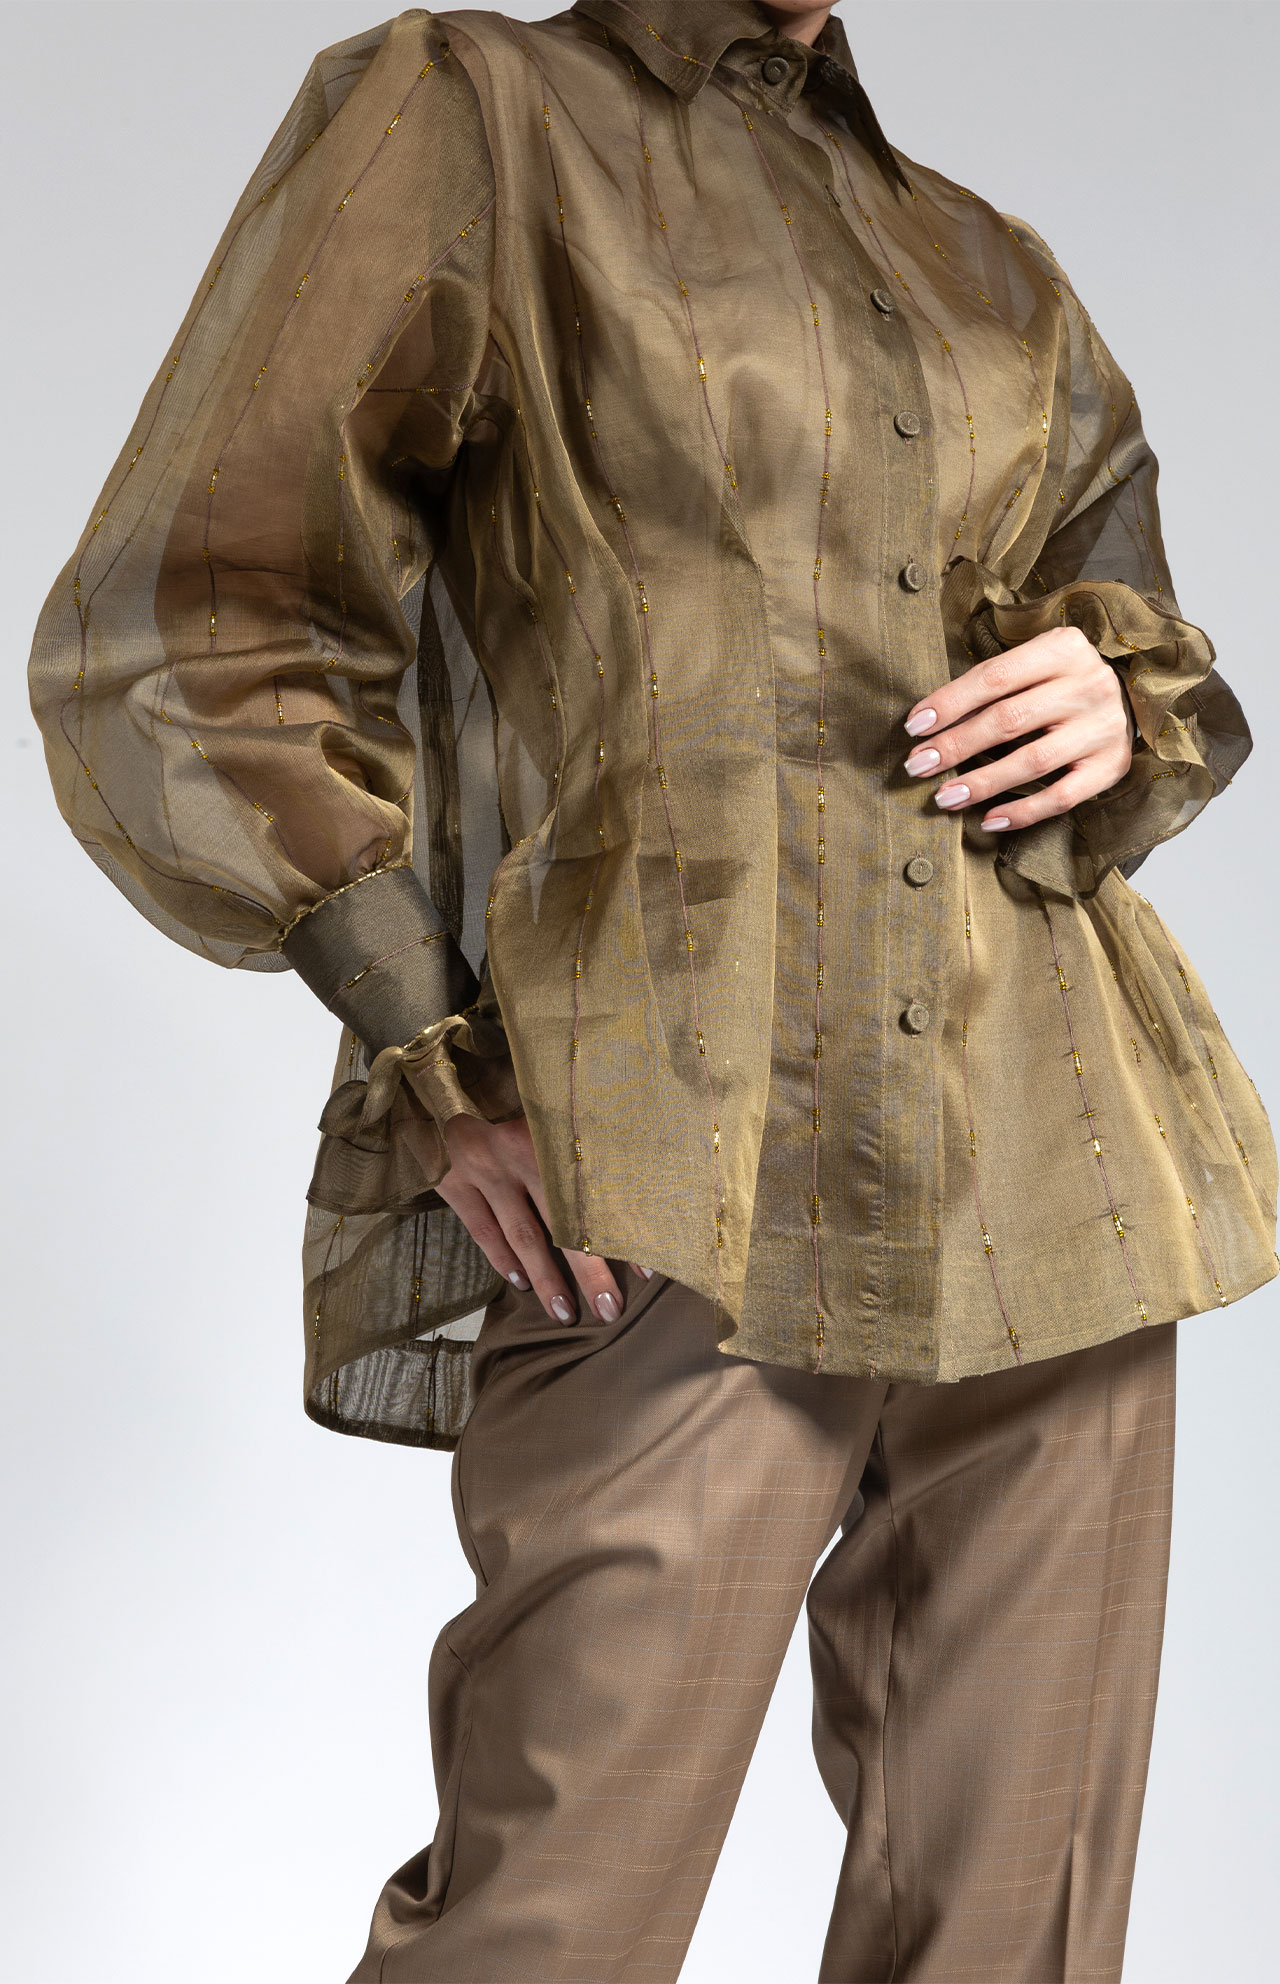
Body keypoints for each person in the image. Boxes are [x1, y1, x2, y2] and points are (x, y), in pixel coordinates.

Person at [27, 2, 1278, 1977]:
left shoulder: (988, 264)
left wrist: (1121, 700)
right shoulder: (472, 114)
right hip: (675, 1167)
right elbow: (201, 625)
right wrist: (435, 1048)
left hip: (1057, 1178)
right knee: (550, 1921)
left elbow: (1128, 634)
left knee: (1015, 1933)